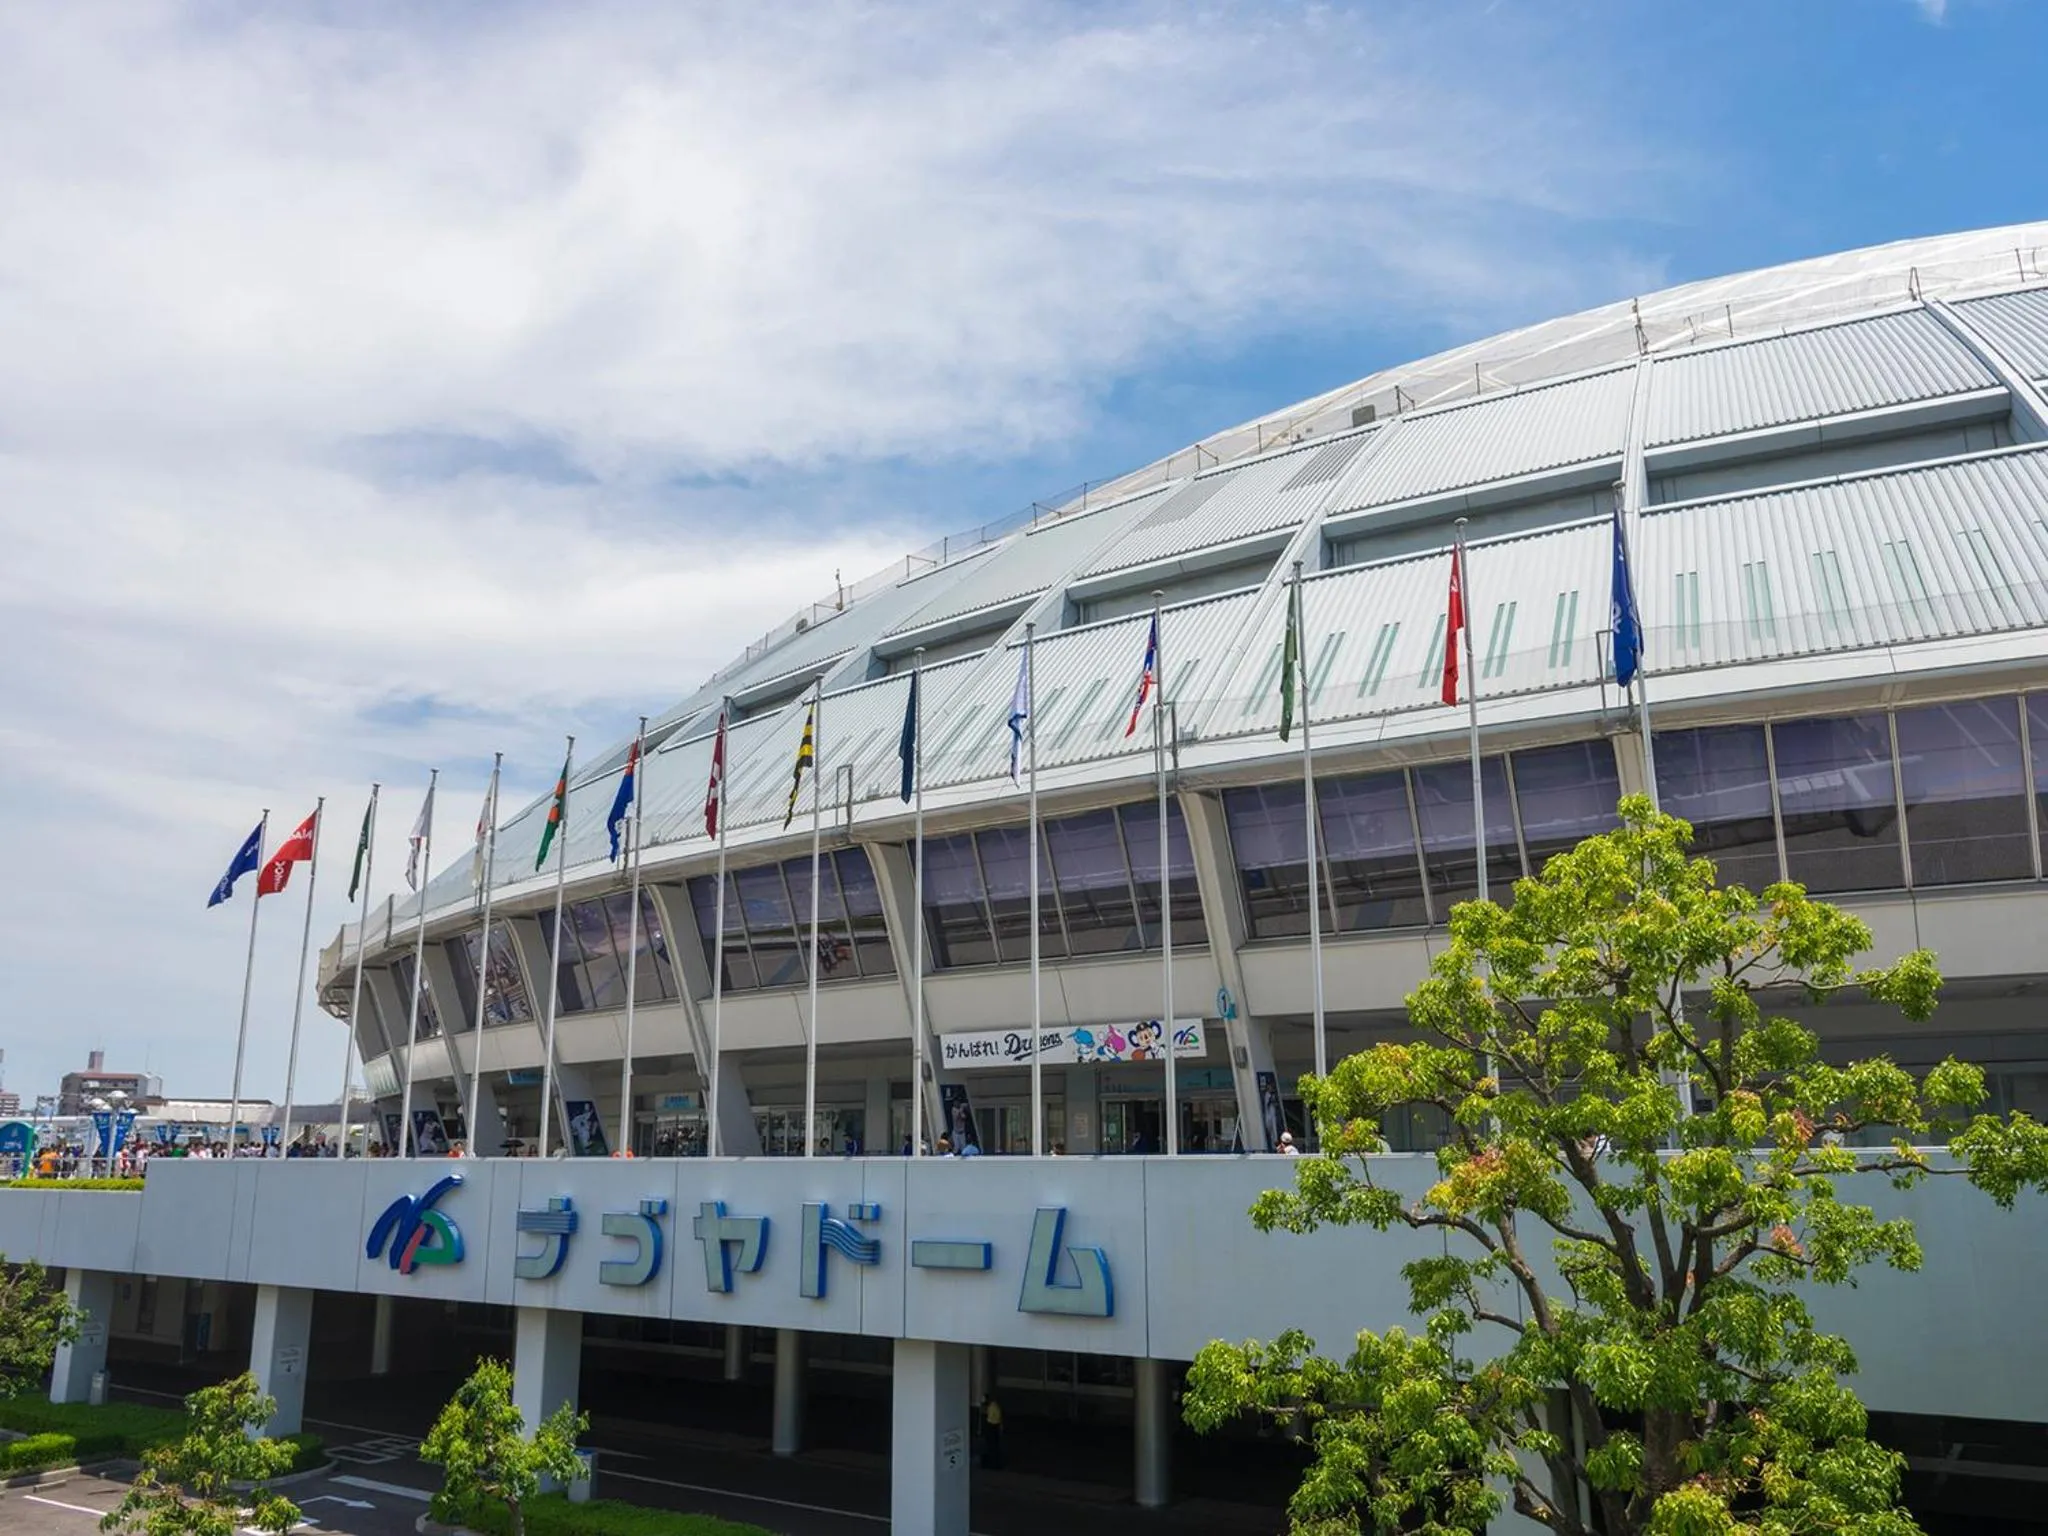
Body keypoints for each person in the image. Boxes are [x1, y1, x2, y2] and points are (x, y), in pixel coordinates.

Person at [979, 1394, 1004, 1469]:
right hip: (995, 1427)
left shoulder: (992, 1407)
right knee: (995, 1445)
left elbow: (989, 1419)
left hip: (991, 1427)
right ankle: (995, 1463)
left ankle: (992, 1463)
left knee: (991, 1446)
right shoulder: (995, 1406)